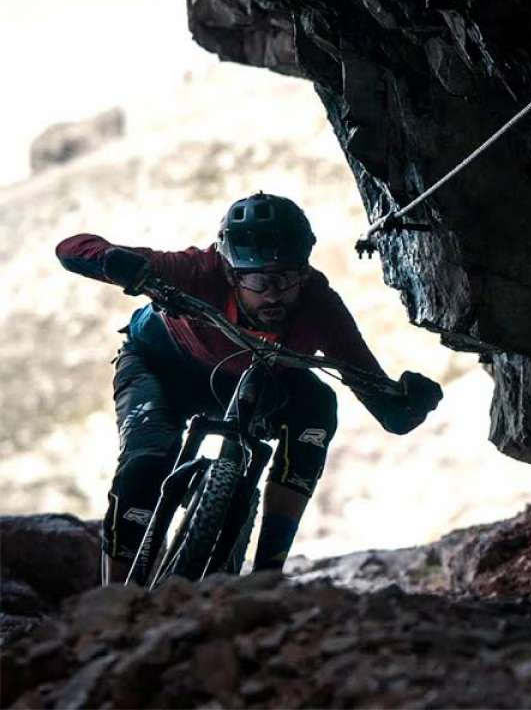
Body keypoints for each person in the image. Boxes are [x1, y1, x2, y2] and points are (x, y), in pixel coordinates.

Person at [55, 192, 443, 585]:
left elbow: (378, 397)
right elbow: (70, 249)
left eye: (287, 277)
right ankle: (116, 596)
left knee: (318, 406)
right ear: (230, 273)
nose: (274, 293)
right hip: (160, 367)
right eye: (259, 280)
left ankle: (267, 574)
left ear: (304, 271)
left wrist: (408, 405)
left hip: (256, 379)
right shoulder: (196, 271)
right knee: (146, 462)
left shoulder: (318, 303)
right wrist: (114, 262)